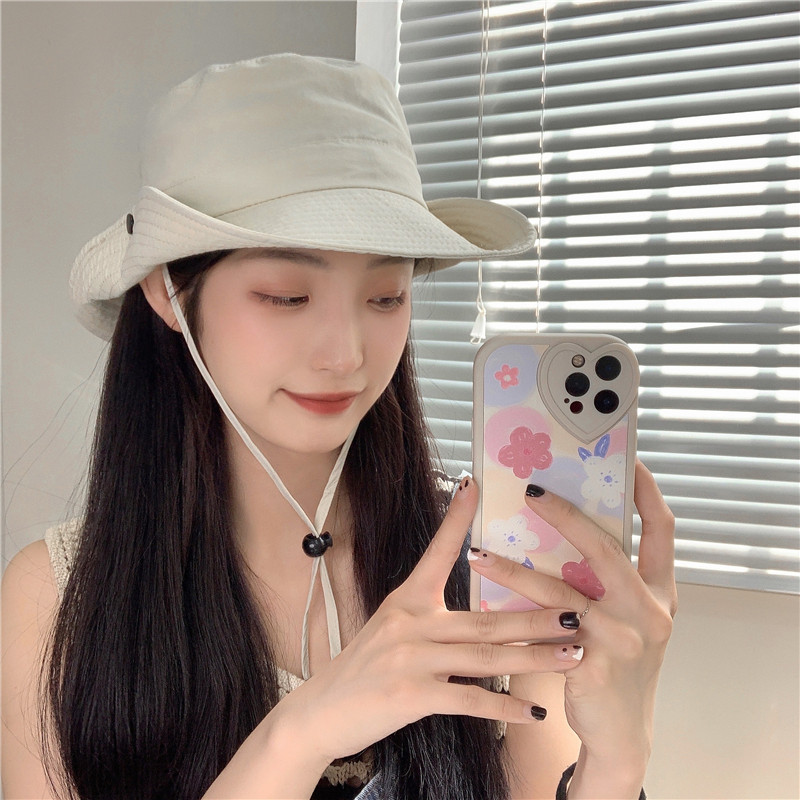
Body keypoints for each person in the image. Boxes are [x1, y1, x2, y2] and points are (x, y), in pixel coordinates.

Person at [1, 54, 677, 800]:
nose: (347, 354)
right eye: (287, 295)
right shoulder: (59, 597)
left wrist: (618, 759)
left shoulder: (490, 568)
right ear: (168, 292)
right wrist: (303, 733)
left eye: (386, 297)